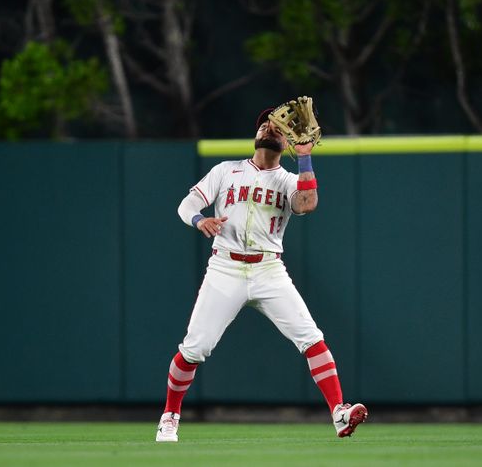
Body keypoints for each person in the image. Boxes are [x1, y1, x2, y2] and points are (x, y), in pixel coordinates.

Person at [155, 105, 367, 442]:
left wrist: (305, 158)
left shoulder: (287, 180)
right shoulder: (226, 171)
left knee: (311, 338)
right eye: (266, 125)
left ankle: (339, 412)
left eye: (278, 127)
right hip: (225, 266)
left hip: (269, 268)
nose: (270, 129)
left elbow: (307, 203)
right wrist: (200, 220)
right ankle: (170, 415)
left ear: (288, 140)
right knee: (195, 348)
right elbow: (186, 206)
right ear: (256, 134)